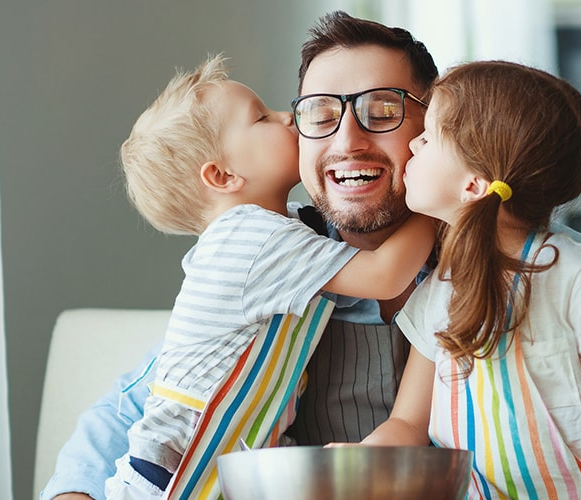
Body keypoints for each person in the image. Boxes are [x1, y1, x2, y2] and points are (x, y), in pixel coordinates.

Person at [41, 11, 581, 500]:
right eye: (319, 113)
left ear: (433, 130)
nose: (348, 139)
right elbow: (143, 406)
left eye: (381, 110)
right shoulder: (276, 266)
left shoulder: (547, 266)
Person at [101, 53, 434, 499]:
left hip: (229, 468)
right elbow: (386, 274)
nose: (286, 116)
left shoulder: (287, 230)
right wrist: (439, 199)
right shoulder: (248, 238)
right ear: (222, 175)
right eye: (261, 118)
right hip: (173, 476)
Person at [353, 60, 581, 499]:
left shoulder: (575, 275)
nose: (412, 145)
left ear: (473, 186)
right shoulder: (437, 291)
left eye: (428, 136)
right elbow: (409, 423)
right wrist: (357, 460)